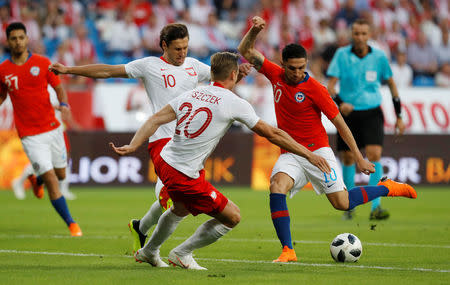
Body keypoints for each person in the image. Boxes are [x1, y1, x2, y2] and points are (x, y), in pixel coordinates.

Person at [110, 51, 332, 270]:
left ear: (212, 72)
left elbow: (156, 119)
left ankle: (149, 251)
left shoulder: (192, 93)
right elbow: (272, 134)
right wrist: (309, 154)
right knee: (232, 216)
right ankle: (181, 253)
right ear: (234, 75)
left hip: (165, 161)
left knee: (180, 207)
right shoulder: (233, 102)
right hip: (184, 173)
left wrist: (134, 144)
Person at [49, 23, 251, 252]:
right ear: (164, 45)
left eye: (185, 47)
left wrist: (239, 75)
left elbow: (221, 84)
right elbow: (108, 71)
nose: (182, 53)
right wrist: (69, 70)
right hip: (162, 141)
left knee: (177, 202)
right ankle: (159, 251)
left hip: (187, 144)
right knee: (176, 201)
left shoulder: (195, 66)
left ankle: (141, 229)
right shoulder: (149, 66)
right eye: (177, 48)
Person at [238, 16, 416, 263]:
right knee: (277, 186)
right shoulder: (275, 74)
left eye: (302, 67)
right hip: (291, 154)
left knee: (342, 203)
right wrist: (255, 30)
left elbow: (340, 124)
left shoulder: (316, 90)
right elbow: (245, 50)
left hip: (318, 153)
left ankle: (385, 188)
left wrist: (358, 157)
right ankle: (288, 250)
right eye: (293, 68)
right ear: (283, 64)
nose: (298, 72)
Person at [0, 22, 82, 236]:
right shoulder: (3, 70)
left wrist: (63, 105)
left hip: (52, 128)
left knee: (61, 174)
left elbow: (58, 87)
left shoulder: (42, 63)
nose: (18, 42)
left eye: (21, 37)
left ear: (27, 39)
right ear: (7, 41)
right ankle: (72, 224)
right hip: (29, 135)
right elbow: (1, 97)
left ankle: (36, 180)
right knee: (53, 181)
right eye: (13, 38)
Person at [326, 18, 406, 220]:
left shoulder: (379, 57)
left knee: (375, 154)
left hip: (372, 112)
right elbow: (331, 86)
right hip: (348, 114)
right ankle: (349, 206)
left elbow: (392, 84)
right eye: (356, 33)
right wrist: (340, 101)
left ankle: (375, 207)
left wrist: (399, 115)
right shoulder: (341, 55)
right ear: (351, 35)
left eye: (364, 33)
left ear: (369, 35)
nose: (360, 37)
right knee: (348, 158)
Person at [12, 90, 80, 201]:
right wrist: (55, 107)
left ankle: (64, 189)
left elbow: (66, 109)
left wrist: (73, 124)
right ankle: (19, 182)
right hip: (45, 129)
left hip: (59, 129)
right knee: (42, 161)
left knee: (65, 158)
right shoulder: (43, 87)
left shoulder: (58, 88)